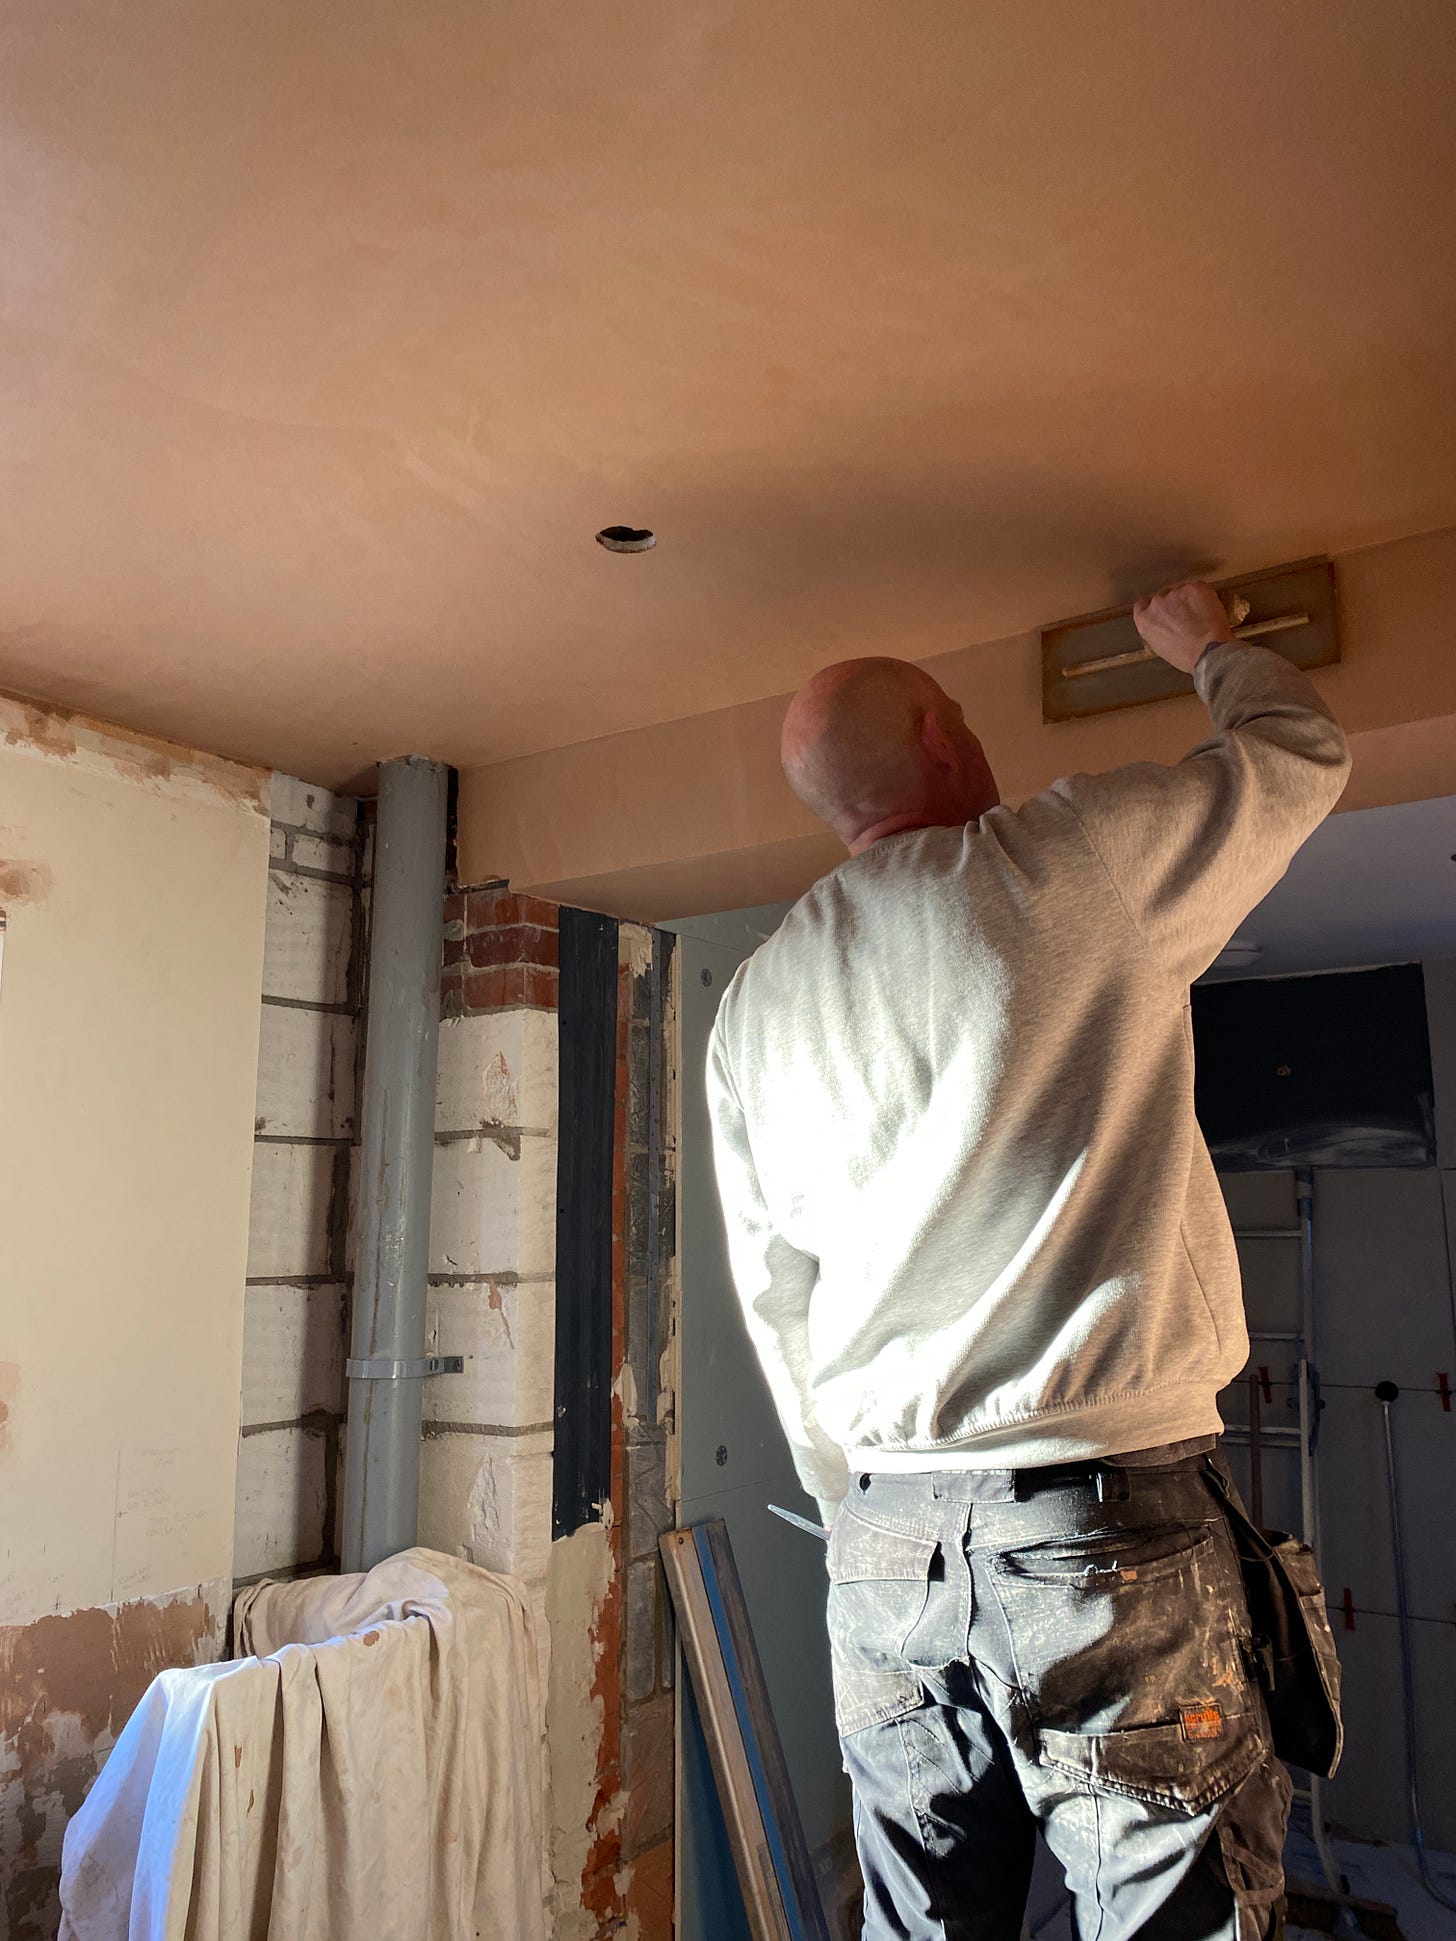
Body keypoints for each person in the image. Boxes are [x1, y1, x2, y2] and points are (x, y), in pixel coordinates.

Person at [705, 582, 1350, 1940]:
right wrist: (1211, 644)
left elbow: (778, 1304)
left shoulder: (756, 997)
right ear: (946, 734)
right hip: (1095, 1515)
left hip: (882, 1539)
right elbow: (1296, 759)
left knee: (923, 1923)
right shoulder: (1065, 860)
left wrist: (869, 1509)